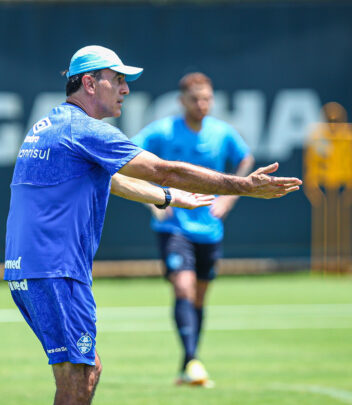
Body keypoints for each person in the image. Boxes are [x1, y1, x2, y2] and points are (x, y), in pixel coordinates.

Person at [4, 45, 301, 405]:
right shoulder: (83, 129)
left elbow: (108, 180)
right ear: (90, 83)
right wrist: (245, 187)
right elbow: (166, 170)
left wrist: (167, 198)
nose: (126, 90)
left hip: (32, 268)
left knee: (86, 368)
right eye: (118, 80)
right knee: (78, 375)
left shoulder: (53, 124)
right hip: (57, 270)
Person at [132, 72, 254, 387]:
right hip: (174, 227)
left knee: (198, 298)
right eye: (195, 99)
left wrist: (228, 200)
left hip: (209, 230)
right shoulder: (162, 131)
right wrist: (155, 200)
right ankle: (192, 361)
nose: (202, 104)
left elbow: (245, 159)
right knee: (183, 288)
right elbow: (126, 158)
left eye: (207, 99)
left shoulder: (221, 132)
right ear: (181, 100)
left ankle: (189, 362)